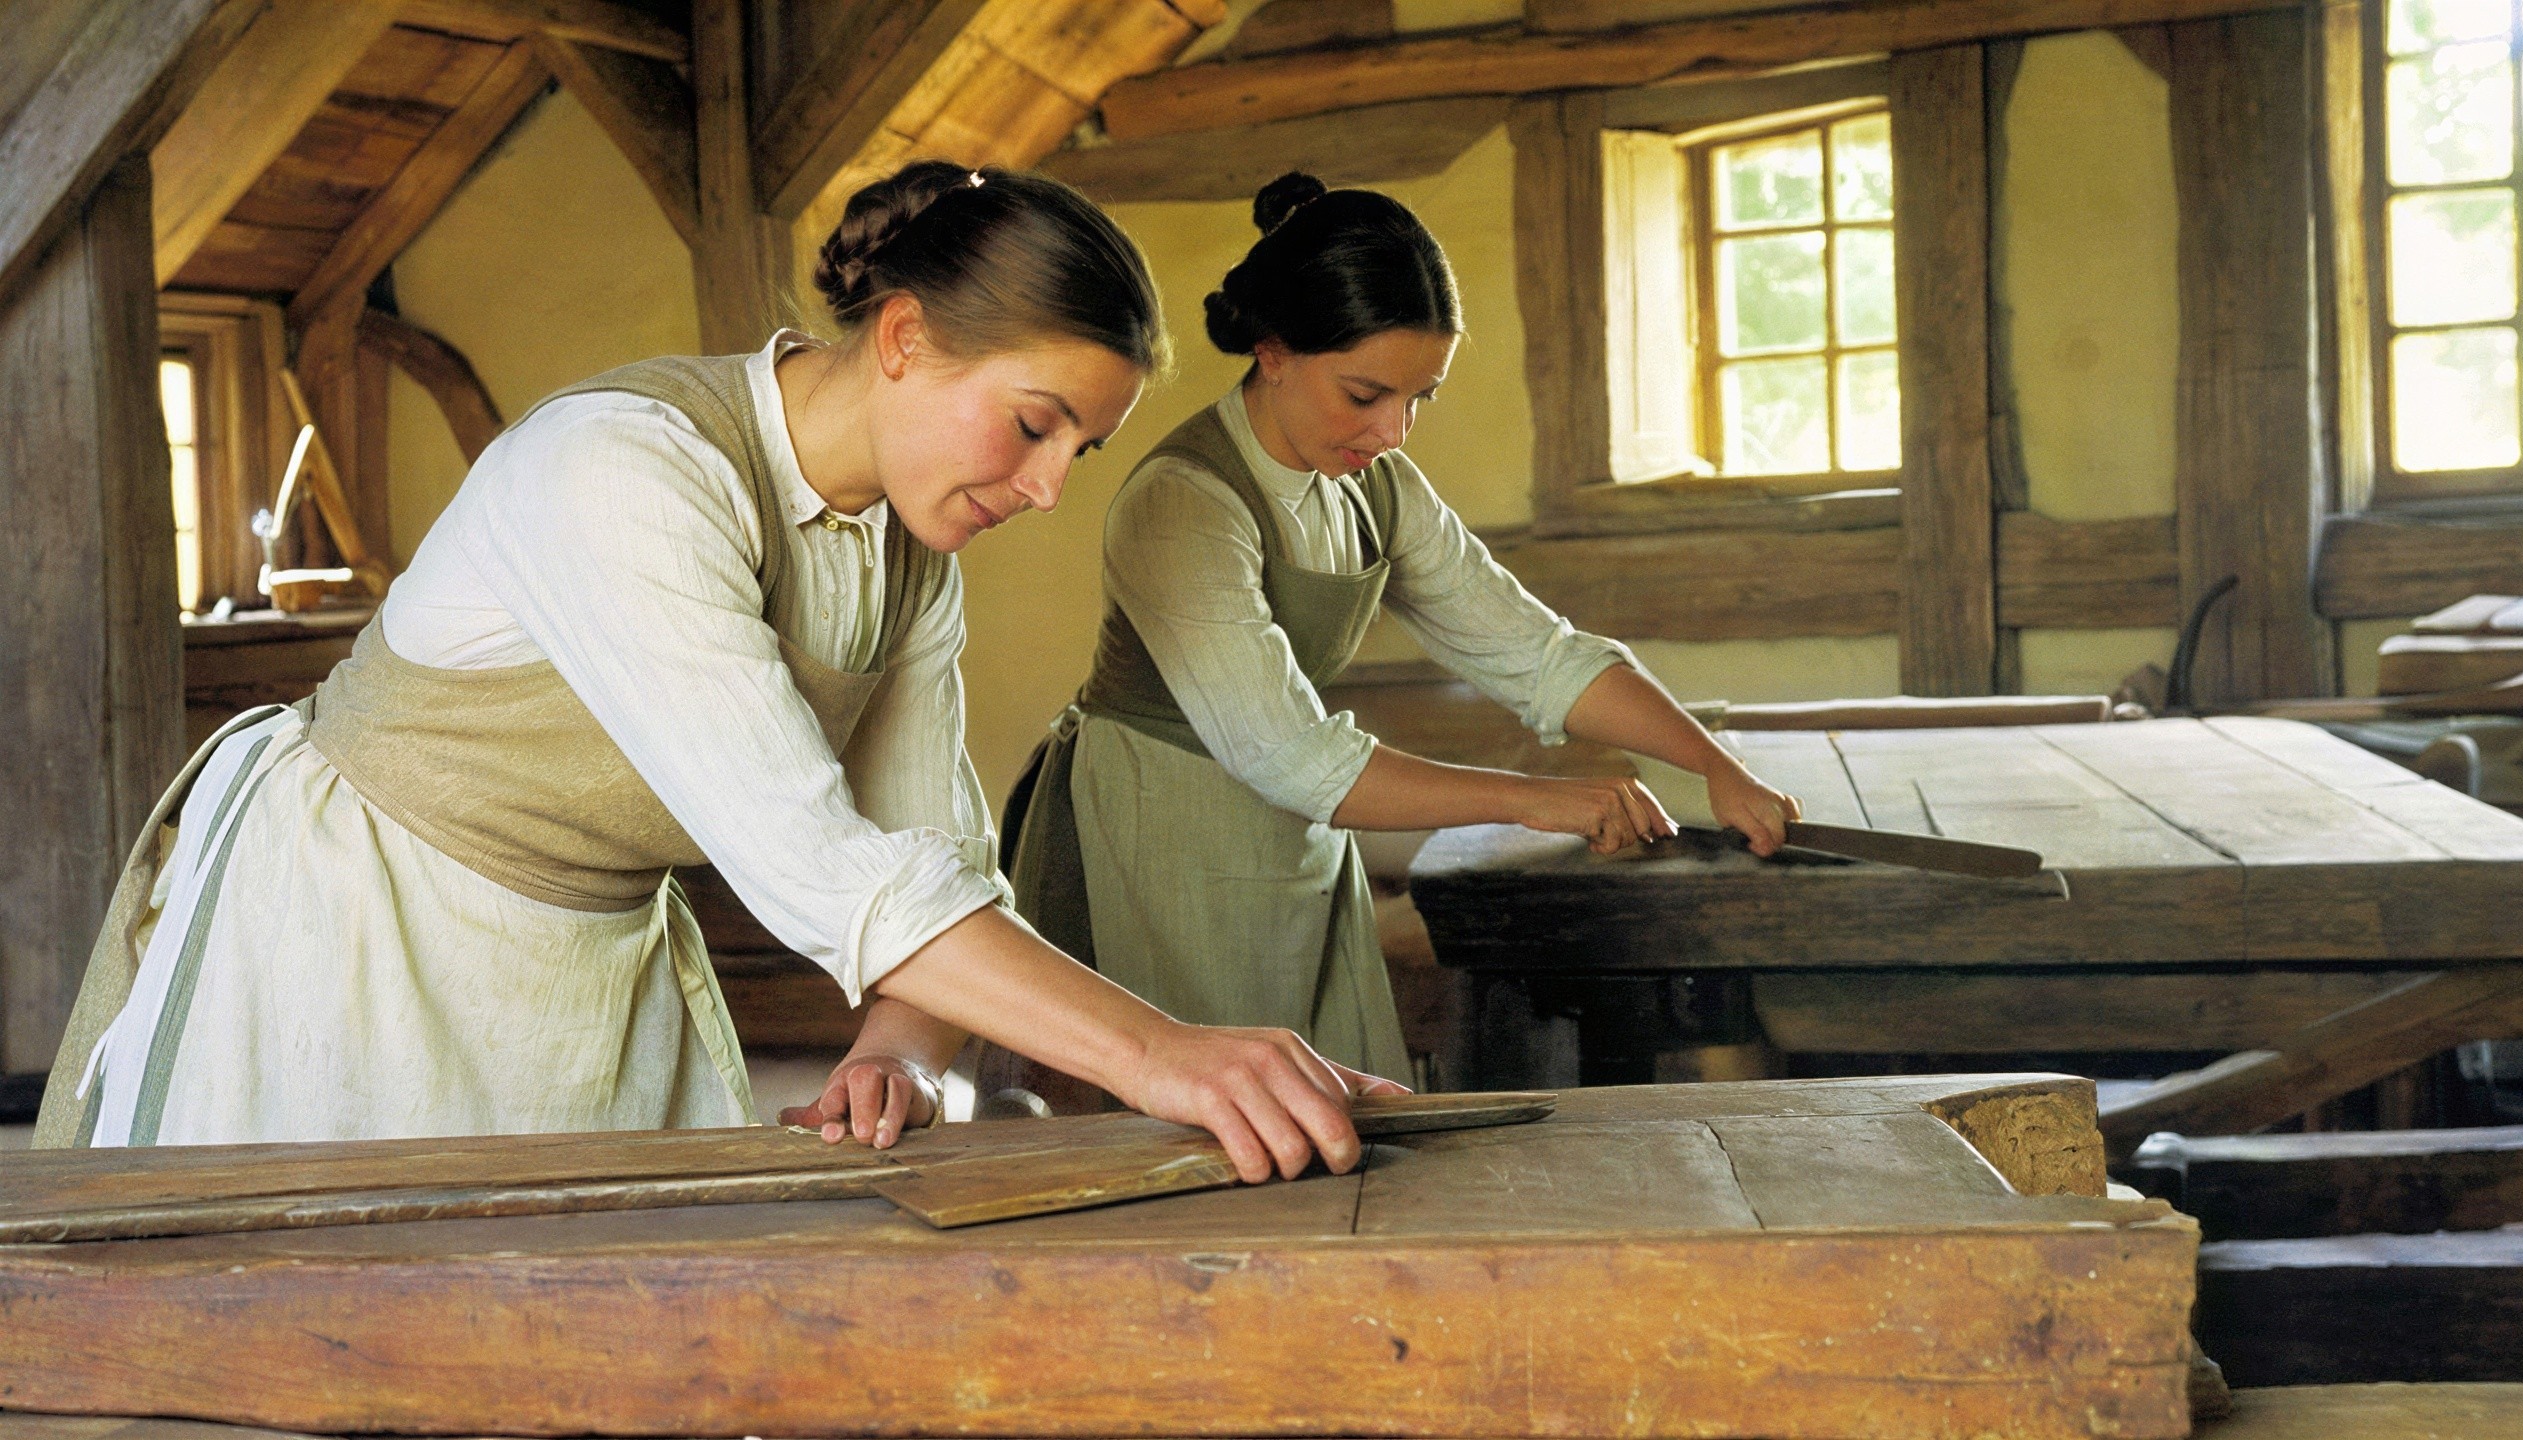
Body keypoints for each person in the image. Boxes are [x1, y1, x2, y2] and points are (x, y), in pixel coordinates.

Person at [35, 161, 1392, 1183]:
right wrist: (1161, 1054)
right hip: (358, 926)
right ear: (909, 339)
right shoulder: (624, 468)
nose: (1046, 488)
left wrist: (898, 1053)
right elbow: (815, 863)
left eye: (1076, 453)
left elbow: (929, 857)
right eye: (1035, 426)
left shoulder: (908, 558)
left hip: (596, 949)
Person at [990, 171, 1804, 1089]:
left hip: (1295, 823)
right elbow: (1294, 758)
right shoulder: (1181, 504)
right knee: (1221, 1124)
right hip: (1160, 832)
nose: (1394, 430)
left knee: (1336, 1100)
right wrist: (1533, 799)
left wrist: (1710, 762)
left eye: (1421, 398)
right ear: (1274, 351)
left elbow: (1535, 654)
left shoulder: (1376, 485)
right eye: (1366, 393)